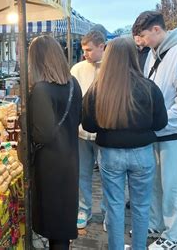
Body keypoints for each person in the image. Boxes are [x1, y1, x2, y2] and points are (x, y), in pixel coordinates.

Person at [82, 37, 167, 250]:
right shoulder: (149, 87)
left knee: (115, 206)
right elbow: (161, 122)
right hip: (143, 153)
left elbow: (89, 125)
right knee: (141, 206)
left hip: (110, 155)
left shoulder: (97, 89)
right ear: (133, 56)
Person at [132, 11, 177, 249]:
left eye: (142, 36)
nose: (140, 42)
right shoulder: (154, 52)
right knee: (154, 183)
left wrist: (158, 123)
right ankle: (154, 223)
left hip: (172, 133)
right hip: (154, 130)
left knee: (173, 186)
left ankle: (173, 238)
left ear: (156, 29)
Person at [28, 35, 82, 250]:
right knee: (62, 221)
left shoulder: (41, 89)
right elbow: (79, 118)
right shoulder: (73, 84)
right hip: (70, 156)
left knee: (54, 221)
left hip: (50, 164)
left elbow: (43, 134)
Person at [70, 30, 105, 229]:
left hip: (105, 133)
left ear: (102, 46)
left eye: (89, 50)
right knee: (82, 173)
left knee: (109, 176)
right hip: (81, 133)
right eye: (83, 50)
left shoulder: (112, 68)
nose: (85, 54)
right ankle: (84, 209)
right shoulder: (77, 69)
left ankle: (109, 212)